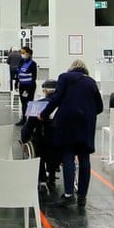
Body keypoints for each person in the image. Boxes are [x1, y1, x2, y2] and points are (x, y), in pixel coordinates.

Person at [44, 60, 103, 207]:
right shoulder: (91, 82)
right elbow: (100, 106)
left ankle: (69, 194)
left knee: (68, 156)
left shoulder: (64, 77)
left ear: (71, 69)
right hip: (86, 124)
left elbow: (56, 99)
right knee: (84, 159)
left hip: (68, 122)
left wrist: (44, 114)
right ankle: (82, 196)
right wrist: (87, 113)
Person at [19, 79, 59, 187]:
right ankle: (52, 174)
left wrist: (24, 139)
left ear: (45, 91)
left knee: (36, 144)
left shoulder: (37, 104)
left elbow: (29, 126)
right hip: (61, 143)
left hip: (44, 143)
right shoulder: (65, 104)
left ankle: (42, 177)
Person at [15, 46, 38, 125]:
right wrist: (16, 83)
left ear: (28, 53)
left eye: (23, 53)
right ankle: (24, 119)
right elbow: (18, 73)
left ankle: (30, 120)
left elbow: (34, 77)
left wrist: (29, 89)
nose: (22, 54)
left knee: (29, 102)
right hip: (22, 85)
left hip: (29, 86)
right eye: (21, 53)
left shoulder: (32, 63)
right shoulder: (21, 62)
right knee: (23, 102)